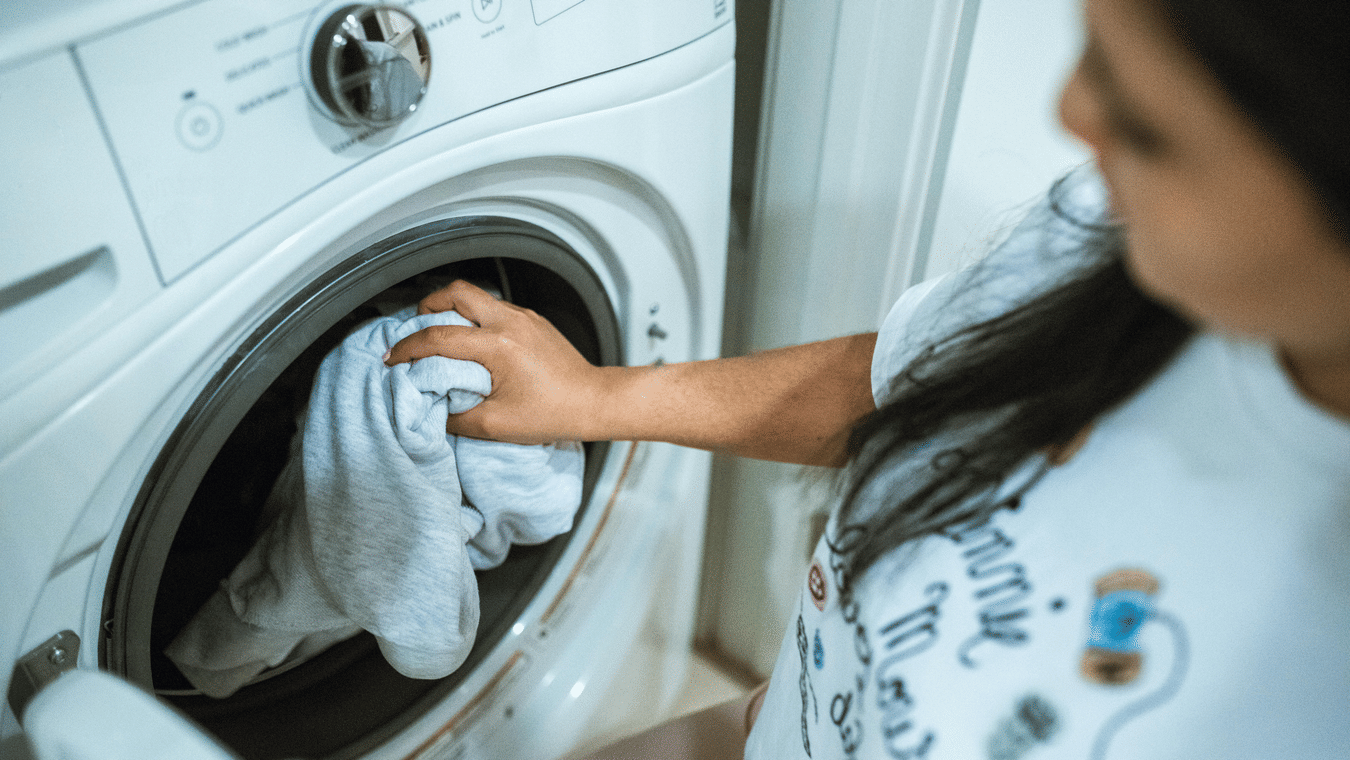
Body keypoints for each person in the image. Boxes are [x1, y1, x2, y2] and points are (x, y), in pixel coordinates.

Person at [386, 0, 1350, 756]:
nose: (1071, 115)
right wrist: (597, 397)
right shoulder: (1099, 243)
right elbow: (897, 382)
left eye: (1145, 125)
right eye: (1095, 47)